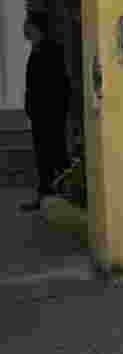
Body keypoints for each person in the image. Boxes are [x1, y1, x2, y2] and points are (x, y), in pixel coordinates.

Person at [20, 11, 70, 212]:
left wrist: (54, 112)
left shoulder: (50, 50)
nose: (24, 28)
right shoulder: (38, 49)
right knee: (44, 156)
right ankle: (46, 196)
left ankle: (62, 195)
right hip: (40, 114)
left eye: (27, 24)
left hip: (50, 115)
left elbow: (60, 85)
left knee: (55, 155)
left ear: (35, 26)